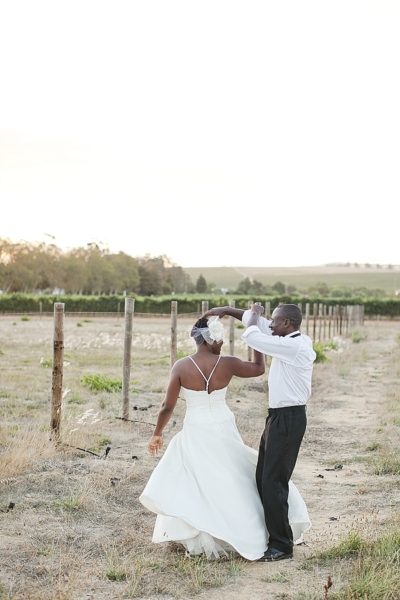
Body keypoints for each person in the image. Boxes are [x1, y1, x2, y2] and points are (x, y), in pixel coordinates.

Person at [139, 315, 311, 561]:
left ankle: (203, 530)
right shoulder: (227, 363)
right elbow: (258, 369)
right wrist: (257, 345)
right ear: (211, 340)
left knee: (200, 480)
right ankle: (244, 529)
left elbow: (167, 405)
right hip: (222, 425)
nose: (221, 343)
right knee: (231, 476)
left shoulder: (181, 367)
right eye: (219, 339)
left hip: (196, 427)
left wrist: (157, 433)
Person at [203, 303, 315, 562]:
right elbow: (254, 322)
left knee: (273, 481)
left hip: (289, 418)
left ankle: (282, 546)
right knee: (263, 477)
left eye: (274, 321)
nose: (270, 324)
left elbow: (253, 333)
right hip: (278, 417)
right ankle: (273, 535)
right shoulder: (286, 336)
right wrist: (225, 310)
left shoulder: (294, 346)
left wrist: (254, 318)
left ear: (287, 323)